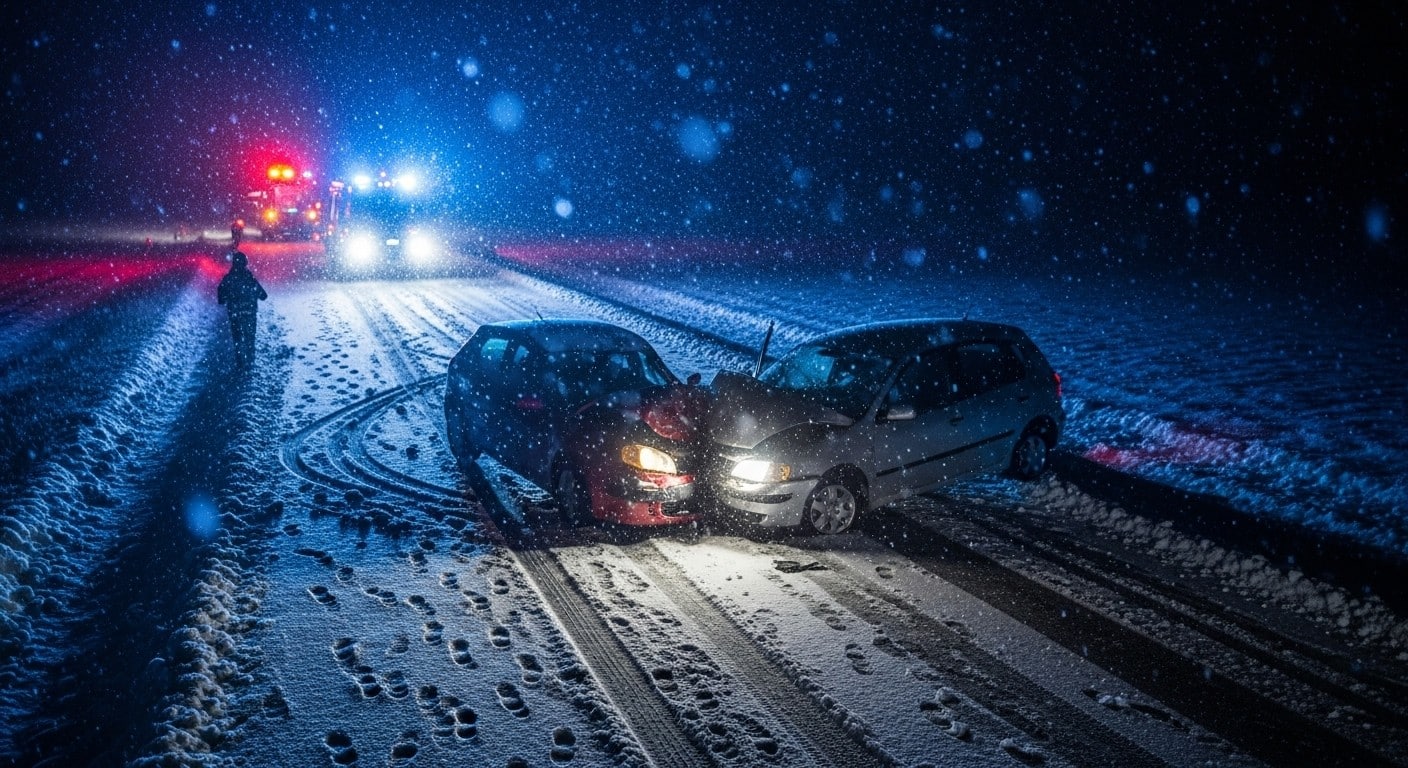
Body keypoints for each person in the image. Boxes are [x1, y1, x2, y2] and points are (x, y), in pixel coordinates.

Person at [217, 251, 267, 370]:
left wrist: (228, 298)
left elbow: (221, 298)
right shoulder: (250, 279)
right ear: (245, 263)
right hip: (249, 312)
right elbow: (263, 296)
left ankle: (239, 363)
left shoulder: (228, 279)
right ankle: (250, 360)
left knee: (237, 338)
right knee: (250, 337)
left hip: (234, 313)